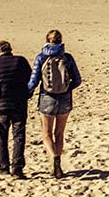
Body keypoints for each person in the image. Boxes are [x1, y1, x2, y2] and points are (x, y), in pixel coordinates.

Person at [28, 29, 83, 179]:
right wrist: (66, 89)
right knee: (59, 133)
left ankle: (54, 158)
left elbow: (33, 81)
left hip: (47, 97)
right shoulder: (67, 57)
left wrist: (27, 92)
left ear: (47, 40)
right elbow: (77, 80)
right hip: (64, 99)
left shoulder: (41, 57)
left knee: (46, 133)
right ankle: (58, 159)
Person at [0, 40, 32, 179]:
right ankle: (17, 169)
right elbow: (30, 80)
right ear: (10, 50)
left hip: (1, 106)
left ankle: (3, 167)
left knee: (2, 137)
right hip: (19, 104)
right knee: (19, 136)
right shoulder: (21, 61)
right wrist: (26, 95)